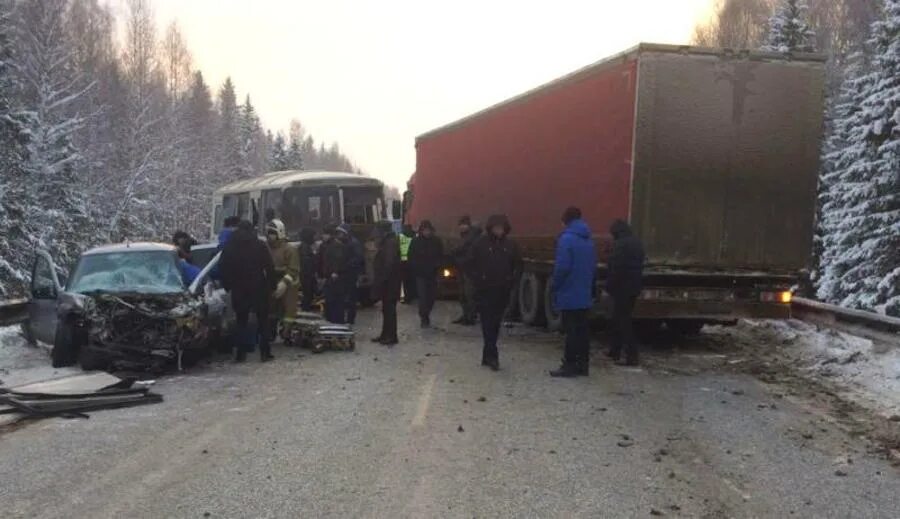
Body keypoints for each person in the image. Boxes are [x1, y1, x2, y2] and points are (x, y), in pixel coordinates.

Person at [549, 207, 597, 378]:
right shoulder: (589, 240)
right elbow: (592, 268)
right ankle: (583, 365)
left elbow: (562, 267)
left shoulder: (566, 240)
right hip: (584, 293)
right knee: (583, 331)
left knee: (571, 331)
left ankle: (569, 365)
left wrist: (555, 285)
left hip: (569, 292)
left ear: (565, 221)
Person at [220, 220, 277, 362]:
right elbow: (269, 267)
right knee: (263, 320)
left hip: (239, 287)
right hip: (259, 287)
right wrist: (272, 285)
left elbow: (223, 268)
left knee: (241, 321)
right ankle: (265, 352)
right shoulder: (260, 245)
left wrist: (228, 285)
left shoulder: (230, 247)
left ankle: (240, 354)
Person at [471, 214, 522, 371]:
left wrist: (512, 280)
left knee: (495, 323)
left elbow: (518, 265)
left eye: (501, 228)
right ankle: (493, 356)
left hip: (502, 290)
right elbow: (470, 263)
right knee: (488, 323)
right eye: (496, 228)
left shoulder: (511, 245)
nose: (499, 231)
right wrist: (478, 279)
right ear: (491, 228)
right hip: (485, 289)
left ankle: (487, 355)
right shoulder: (480, 244)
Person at [606, 219, 645, 366]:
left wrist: (609, 286)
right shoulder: (637, 242)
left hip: (622, 287)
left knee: (623, 321)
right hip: (634, 286)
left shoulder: (620, 245)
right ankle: (614, 350)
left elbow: (615, 268)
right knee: (619, 318)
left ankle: (631, 355)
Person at [266, 219, 300, 338]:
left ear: (279, 233)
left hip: (289, 284)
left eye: (272, 233)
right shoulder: (267, 248)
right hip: (272, 282)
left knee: (289, 310)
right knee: (271, 309)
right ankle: (270, 334)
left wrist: (284, 283)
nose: (270, 236)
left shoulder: (290, 249)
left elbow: (294, 269)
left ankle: (287, 333)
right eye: (269, 233)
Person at [408, 220, 444, 328]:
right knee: (423, 297)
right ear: (421, 231)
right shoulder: (415, 241)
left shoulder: (436, 241)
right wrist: (415, 268)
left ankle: (426, 313)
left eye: (428, 230)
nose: (427, 232)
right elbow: (411, 256)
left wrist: (438, 266)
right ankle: (424, 317)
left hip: (433, 273)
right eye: (425, 230)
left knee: (431, 297)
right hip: (420, 274)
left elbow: (440, 255)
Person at [371, 220, 402, 345]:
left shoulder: (390, 243)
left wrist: (382, 279)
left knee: (389, 310)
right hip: (388, 282)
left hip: (390, 283)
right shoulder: (387, 241)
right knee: (386, 309)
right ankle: (385, 334)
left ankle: (391, 336)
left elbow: (389, 264)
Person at [451, 216, 482, 325]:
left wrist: (458, 258)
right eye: (460, 225)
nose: (461, 227)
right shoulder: (465, 237)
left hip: (470, 270)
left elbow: (470, 254)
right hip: (463, 269)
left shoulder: (473, 238)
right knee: (462, 294)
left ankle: (470, 317)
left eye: (463, 225)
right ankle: (466, 315)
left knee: (469, 294)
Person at [337, 223, 364, 325]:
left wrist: (345, 264)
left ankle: (350, 319)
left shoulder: (354, 243)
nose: (339, 235)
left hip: (351, 274)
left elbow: (358, 258)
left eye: (341, 233)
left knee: (351, 298)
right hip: (346, 273)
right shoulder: (345, 242)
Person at [319, 224, 347, 324]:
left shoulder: (336, 246)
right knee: (329, 302)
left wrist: (335, 272)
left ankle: (338, 322)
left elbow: (338, 260)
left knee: (336, 302)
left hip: (335, 278)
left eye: (325, 234)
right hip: (328, 277)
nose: (323, 236)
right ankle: (331, 321)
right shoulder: (324, 245)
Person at [298, 228, 318, 312]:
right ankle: (305, 310)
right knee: (307, 295)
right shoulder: (305, 248)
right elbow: (307, 264)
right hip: (307, 276)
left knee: (308, 294)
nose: (315, 238)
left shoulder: (305, 247)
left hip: (306, 275)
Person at [399, 224, 416, 304]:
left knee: (406, 281)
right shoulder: (415, 236)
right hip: (413, 262)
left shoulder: (400, 237)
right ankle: (414, 296)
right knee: (413, 280)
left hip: (403, 262)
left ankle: (407, 298)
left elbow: (397, 249)